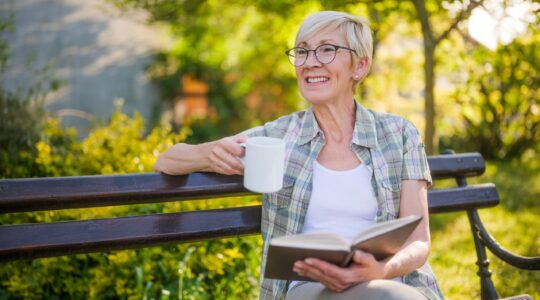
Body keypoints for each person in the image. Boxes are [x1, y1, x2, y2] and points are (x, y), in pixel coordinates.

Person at [154, 10, 443, 300]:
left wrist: (378, 271)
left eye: (327, 49)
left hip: (391, 278)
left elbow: (418, 242)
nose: (310, 62)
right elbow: (167, 159)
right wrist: (209, 153)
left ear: (360, 66)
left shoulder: (399, 133)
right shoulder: (278, 138)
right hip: (307, 287)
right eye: (302, 51)